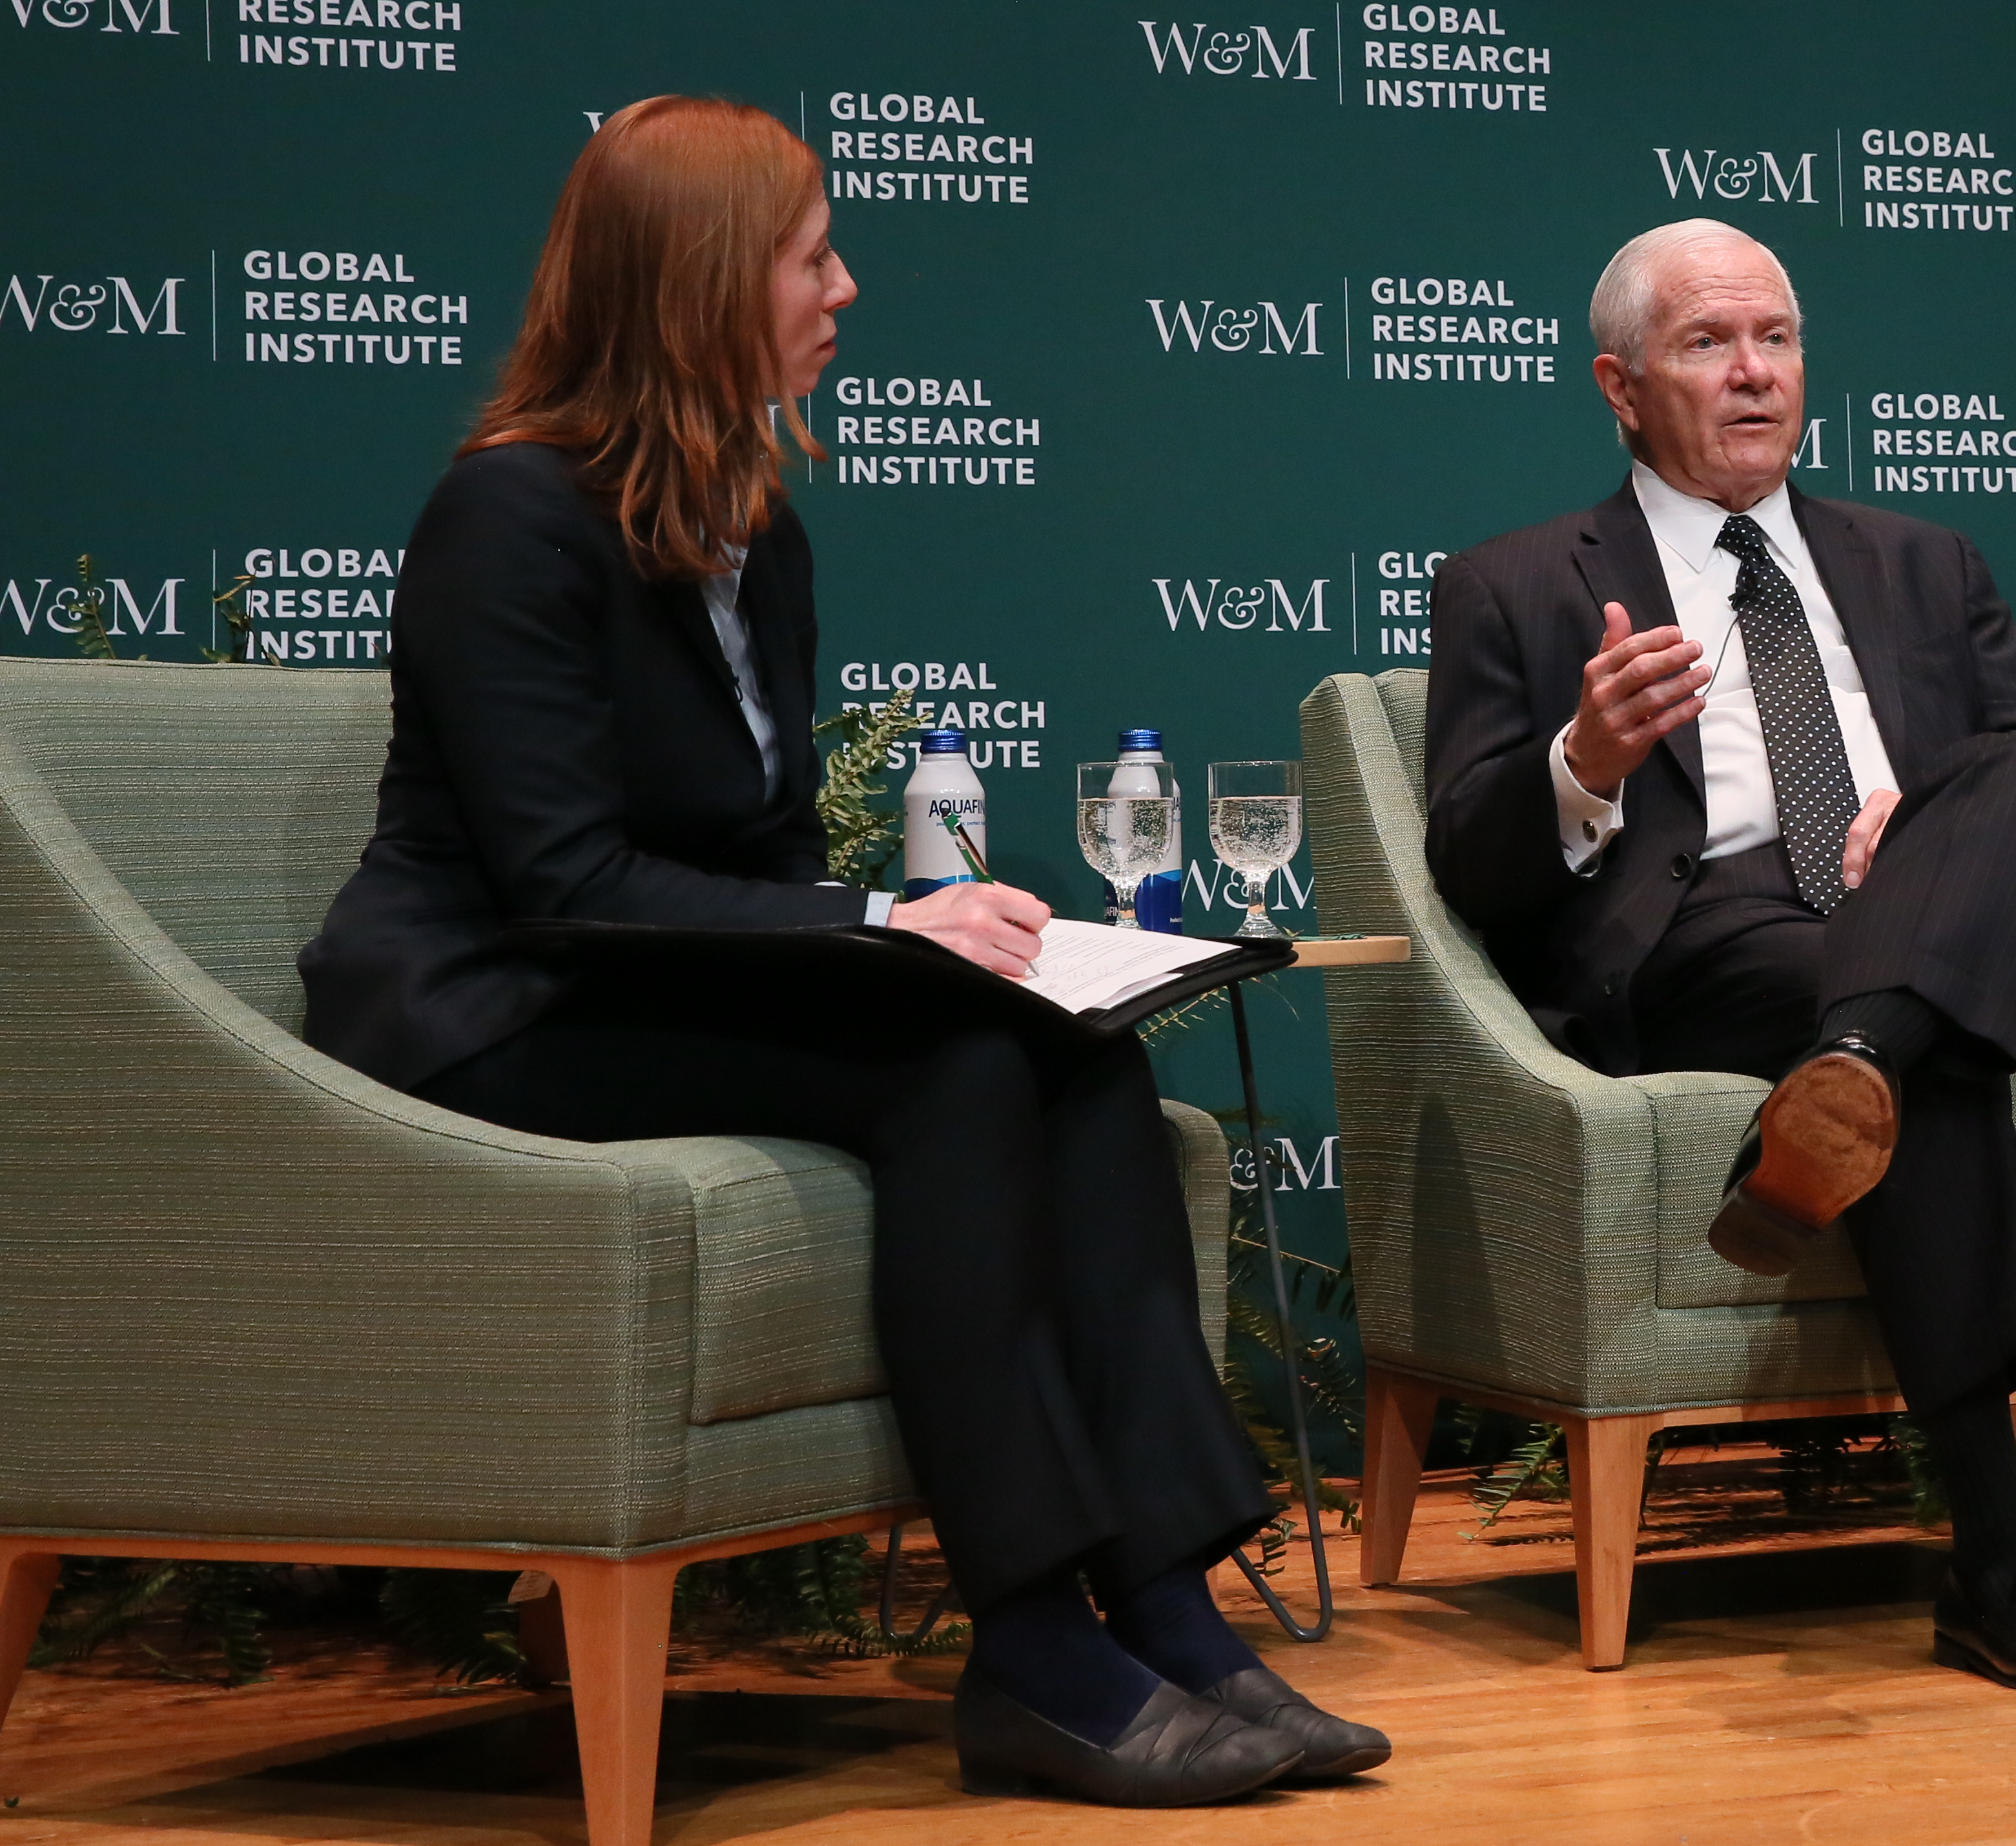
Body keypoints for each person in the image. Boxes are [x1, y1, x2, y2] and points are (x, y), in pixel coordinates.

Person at [298, 98, 1388, 1804]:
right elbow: (561, 879)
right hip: (490, 1008)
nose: (847, 288)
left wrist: (922, 945)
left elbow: (760, 852)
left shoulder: (757, 522)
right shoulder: (508, 516)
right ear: (704, 283)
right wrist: (885, 928)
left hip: (641, 986)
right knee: (952, 1068)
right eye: (813, 258)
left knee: (1076, 1055)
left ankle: (1174, 1616)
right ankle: (1031, 1653)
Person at [1421, 219, 2016, 1696]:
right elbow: (1470, 869)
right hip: (1711, 940)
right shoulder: (1516, 583)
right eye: (1707, 343)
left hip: (1917, 906)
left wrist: (1921, 832)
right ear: (1620, 385)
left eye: (1775, 339)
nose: (1754, 373)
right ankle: (2002, 1554)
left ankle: (1850, 1070)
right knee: (1928, 1036)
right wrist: (1585, 763)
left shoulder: (1926, 561)